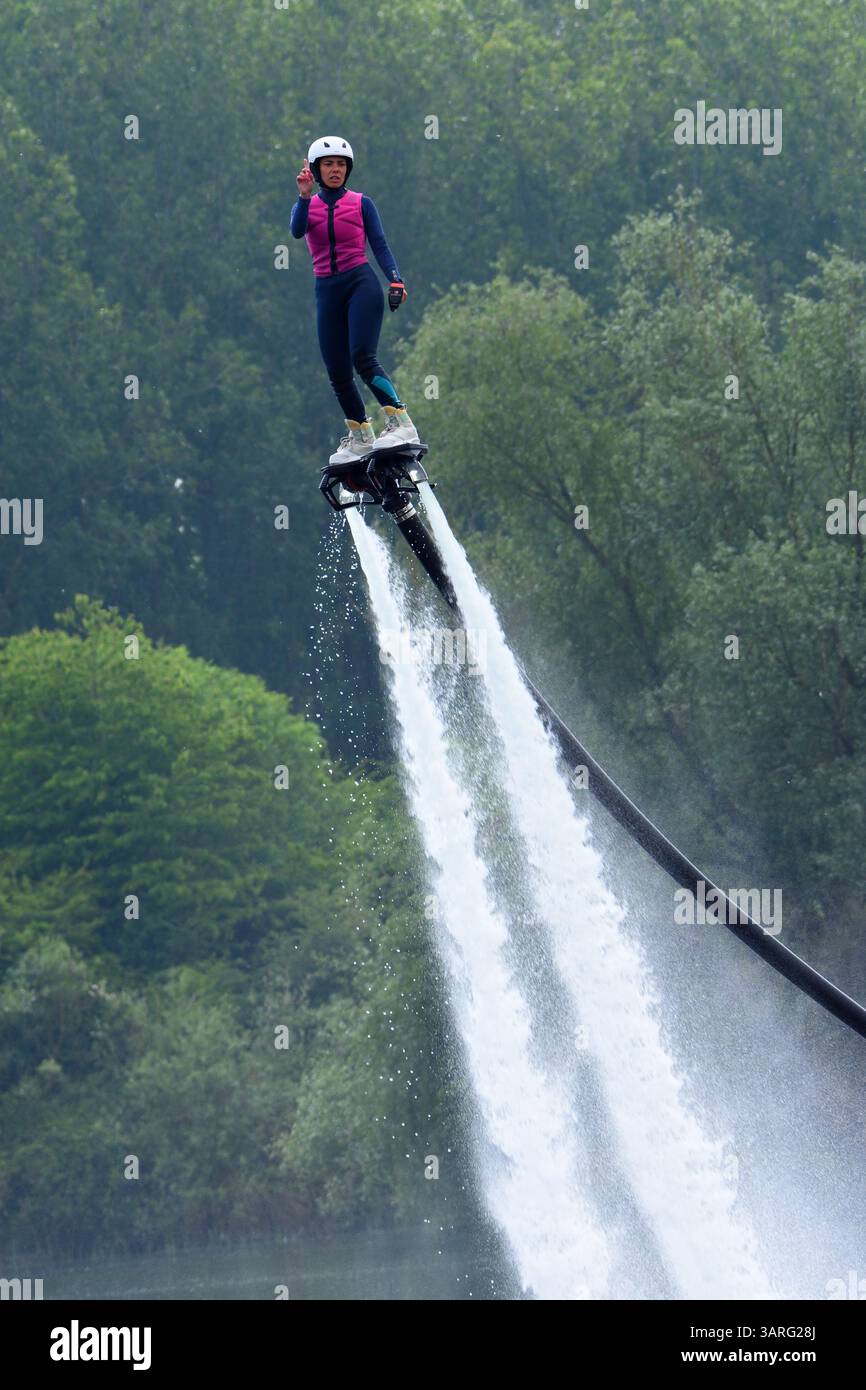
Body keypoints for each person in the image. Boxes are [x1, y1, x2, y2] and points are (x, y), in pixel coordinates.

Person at [290, 136, 421, 465]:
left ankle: (402, 423)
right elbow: (296, 230)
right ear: (317, 170)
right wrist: (304, 198)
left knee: (362, 356)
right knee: (337, 371)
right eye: (329, 164)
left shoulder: (362, 203)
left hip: (360, 283)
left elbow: (379, 243)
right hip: (326, 291)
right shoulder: (306, 205)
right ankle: (362, 434)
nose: (336, 170)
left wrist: (395, 278)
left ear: (348, 170)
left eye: (341, 164)